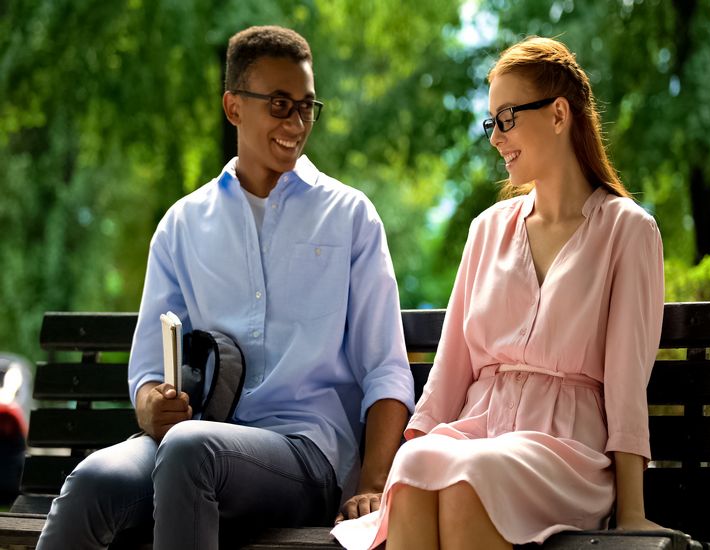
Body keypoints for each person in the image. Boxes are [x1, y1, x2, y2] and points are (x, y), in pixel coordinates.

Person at [36, 25, 415, 549]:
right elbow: (148, 370)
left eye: (307, 106)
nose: (298, 123)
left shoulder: (349, 217)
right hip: (192, 444)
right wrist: (153, 404)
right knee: (94, 482)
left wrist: (374, 484)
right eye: (280, 105)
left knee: (193, 450)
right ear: (234, 107)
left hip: (307, 454)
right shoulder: (182, 224)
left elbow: (387, 370)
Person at [332, 36, 666, 549]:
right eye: (491, 122)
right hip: (478, 434)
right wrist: (409, 461)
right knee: (420, 466)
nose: (495, 137)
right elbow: (450, 372)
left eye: (506, 118)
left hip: (565, 453)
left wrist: (633, 511)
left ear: (558, 114)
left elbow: (625, 382)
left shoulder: (627, 231)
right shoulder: (486, 229)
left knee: (470, 476)